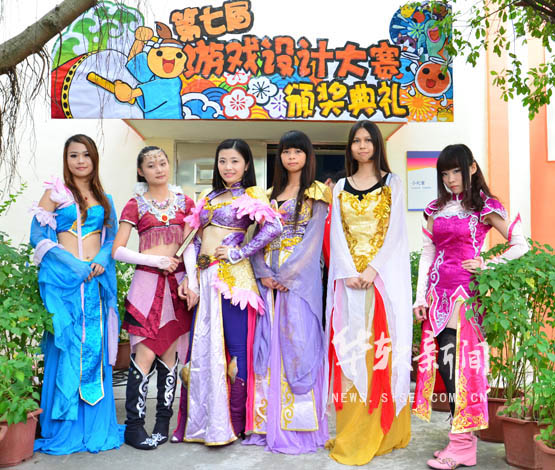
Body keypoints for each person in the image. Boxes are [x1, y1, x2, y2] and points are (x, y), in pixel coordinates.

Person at [412, 144, 529, 469]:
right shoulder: (435, 208)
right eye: (445, 173)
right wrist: (420, 297)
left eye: (456, 171)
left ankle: (462, 444)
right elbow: (428, 253)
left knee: (457, 367)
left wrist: (487, 265)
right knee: (446, 367)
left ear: (472, 168)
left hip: (464, 293)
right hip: (437, 294)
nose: (451, 179)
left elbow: (520, 244)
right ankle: (461, 440)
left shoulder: (484, 206)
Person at [171, 138, 282, 446]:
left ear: (246, 165)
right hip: (205, 281)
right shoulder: (208, 196)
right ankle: (196, 423)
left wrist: (239, 252)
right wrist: (190, 278)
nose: (228, 167)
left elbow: (274, 228)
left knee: (236, 353)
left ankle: (235, 423)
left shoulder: (252, 194)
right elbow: (194, 240)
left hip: (234, 283)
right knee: (200, 351)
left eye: (235, 161)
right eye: (223, 161)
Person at [325, 121, 412, 465]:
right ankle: (353, 431)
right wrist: (348, 271)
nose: (362, 146)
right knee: (352, 349)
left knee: (380, 352)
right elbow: (336, 233)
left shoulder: (393, 183)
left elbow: (395, 232)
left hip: (381, 281)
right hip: (349, 284)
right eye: (356, 141)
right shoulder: (340, 187)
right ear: (350, 147)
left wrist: (373, 269)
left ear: (377, 145)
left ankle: (382, 429)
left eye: (367, 140)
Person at [30, 134, 124, 454]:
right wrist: (74, 265)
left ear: (94, 158)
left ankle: (95, 425)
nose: (80, 161)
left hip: (95, 284)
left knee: (94, 349)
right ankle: (65, 427)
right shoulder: (55, 193)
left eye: (86, 154)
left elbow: (111, 239)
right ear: (66, 159)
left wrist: (100, 260)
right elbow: (38, 237)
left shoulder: (105, 198)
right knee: (68, 346)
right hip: (65, 286)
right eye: (73, 155)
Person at [244, 131, 331, 453]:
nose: (291, 157)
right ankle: (267, 425)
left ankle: (300, 428)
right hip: (268, 285)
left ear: (308, 156)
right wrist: (264, 273)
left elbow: (313, 240)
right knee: (268, 349)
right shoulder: (266, 196)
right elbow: (255, 240)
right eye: (286, 151)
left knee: (299, 344)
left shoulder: (317, 193)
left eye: (297, 151)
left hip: (300, 285)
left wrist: (287, 275)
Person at [112, 146, 196, 450]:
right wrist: (155, 260)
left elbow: (191, 245)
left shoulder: (186, 202)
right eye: (151, 165)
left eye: (162, 163)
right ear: (141, 171)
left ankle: (162, 424)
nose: (158, 168)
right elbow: (118, 250)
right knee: (144, 356)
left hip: (177, 288)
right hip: (147, 287)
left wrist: (192, 280)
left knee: (170, 357)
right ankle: (134, 428)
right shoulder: (135, 204)